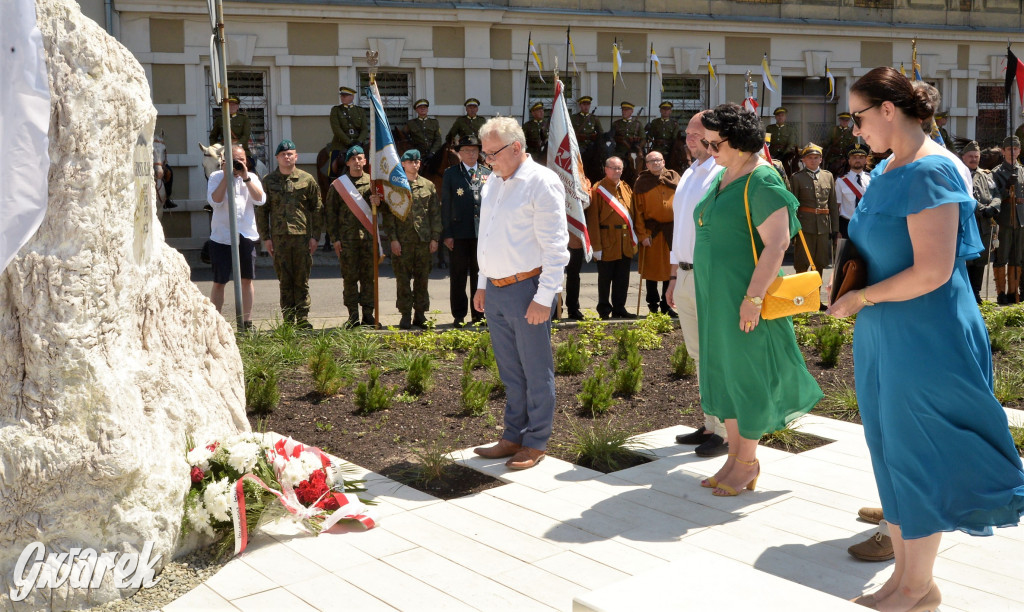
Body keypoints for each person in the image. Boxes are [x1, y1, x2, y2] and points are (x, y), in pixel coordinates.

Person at [829, 66, 1024, 611]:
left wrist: (861, 297)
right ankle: (907, 582)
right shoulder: (889, 167)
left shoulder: (933, 170)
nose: (855, 129)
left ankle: (916, 588)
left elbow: (934, 271)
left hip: (926, 330)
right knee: (888, 447)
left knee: (918, 452)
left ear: (888, 110)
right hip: (885, 327)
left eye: (859, 117)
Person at [692, 103, 822, 498]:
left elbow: (778, 244)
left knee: (746, 376)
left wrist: (752, 298)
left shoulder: (761, 180)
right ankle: (734, 458)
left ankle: (747, 461)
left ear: (738, 140)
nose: (708, 149)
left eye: (715, 143)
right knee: (724, 374)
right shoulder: (725, 175)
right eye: (706, 142)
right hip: (715, 296)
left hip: (744, 296)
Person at [472, 117, 569, 470]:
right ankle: (513, 434)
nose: (487, 161)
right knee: (511, 370)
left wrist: (545, 298)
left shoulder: (541, 183)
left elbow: (556, 246)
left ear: (516, 147)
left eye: (492, 153)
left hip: (529, 288)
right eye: (484, 154)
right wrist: (483, 284)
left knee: (535, 369)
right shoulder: (494, 183)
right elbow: (488, 236)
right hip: (497, 290)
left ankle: (536, 439)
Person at [666, 111, 729, 458]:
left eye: (696, 132)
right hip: (687, 273)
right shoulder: (690, 172)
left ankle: (724, 431)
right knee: (698, 353)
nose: (689, 138)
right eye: (687, 132)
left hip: (710, 274)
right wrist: (674, 276)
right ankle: (710, 422)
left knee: (715, 353)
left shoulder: (722, 172)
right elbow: (680, 231)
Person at [256, 139, 322, 328]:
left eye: (290, 153)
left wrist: (315, 237)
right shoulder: (268, 181)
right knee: (285, 280)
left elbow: (317, 209)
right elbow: (262, 211)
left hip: (302, 237)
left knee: (302, 279)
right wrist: (266, 238)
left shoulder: (307, 180)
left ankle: (302, 319)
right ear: (277, 157)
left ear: (296, 156)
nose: (287, 157)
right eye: (283, 154)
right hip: (279, 238)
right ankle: (288, 320)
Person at [206, 144, 266, 329]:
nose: (238, 163)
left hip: (245, 235)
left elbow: (260, 200)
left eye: (241, 159)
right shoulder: (216, 177)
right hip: (222, 237)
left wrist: (246, 177)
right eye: (234, 160)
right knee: (219, 281)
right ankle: (216, 323)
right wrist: (226, 176)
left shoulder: (252, 177)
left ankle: (246, 322)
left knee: (247, 280)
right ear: (225, 161)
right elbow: (214, 200)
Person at [382, 150, 441, 329]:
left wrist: (435, 238)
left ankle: (420, 314)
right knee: (403, 280)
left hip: (423, 241)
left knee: (422, 279)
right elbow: (389, 216)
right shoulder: (396, 187)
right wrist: (393, 239)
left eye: (417, 161)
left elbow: (435, 214)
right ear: (403, 164)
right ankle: (405, 314)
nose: (414, 164)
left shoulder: (428, 185)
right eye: (410, 161)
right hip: (403, 240)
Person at [441, 135, 491, 327]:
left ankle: (479, 315)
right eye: (467, 151)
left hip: (482, 234)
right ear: (459, 153)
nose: (471, 154)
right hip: (459, 233)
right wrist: (447, 233)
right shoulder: (451, 174)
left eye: (475, 150)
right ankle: (459, 314)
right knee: (459, 275)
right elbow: (446, 205)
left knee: (481, 275)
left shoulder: (488, 173)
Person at [325, 146, 377, 328]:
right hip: (347, 241)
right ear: (347, 162)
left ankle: (368, 315)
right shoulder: (339, 185)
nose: (357, 162)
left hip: (368, 239)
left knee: (368, 278)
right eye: (353, 159)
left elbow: (383, 211)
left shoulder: (373, 183)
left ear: (365, 161)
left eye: (360, 158)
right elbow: (330, 214)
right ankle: (353, 315)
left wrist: (379, 203)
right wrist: (335, 239)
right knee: (350, 278)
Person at [586, 157, 638, 319]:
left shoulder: (626, 187)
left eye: (619, 168)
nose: (617, 171)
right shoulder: (598, 190)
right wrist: (596, 247)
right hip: (607, 241)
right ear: (606, 169)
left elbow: (633, 214)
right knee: (605, 278)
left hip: (624, 241)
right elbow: (593, 220)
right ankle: (603, 309)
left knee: (622, 278)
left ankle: (619, 308)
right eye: (613, 168)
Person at [633, 150, 680, 316]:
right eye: (651, 161)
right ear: (646, 164)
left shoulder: (674, 177)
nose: (655, 163)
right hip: (651, 231)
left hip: (672, 230)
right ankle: (652, 306)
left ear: (664, 161)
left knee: (671, 269)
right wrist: (642, 235)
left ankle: (667, 306)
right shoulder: (642, 182)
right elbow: (637, 212)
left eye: (658, 160)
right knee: (651, 271)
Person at [790, 143, 838, 278]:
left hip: (823, 227)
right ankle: (801, 297)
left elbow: (832, 204)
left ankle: (816, 297)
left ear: (821, 160)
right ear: (803, 160)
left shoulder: (828, 176)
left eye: (816, 157)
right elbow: (793, 206)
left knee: (820, 263)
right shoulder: (797, 178)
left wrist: (835, 229)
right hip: (804, 227)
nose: (813, 160)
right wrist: (793, 230)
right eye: (809, 157)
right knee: (802, 263)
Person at [962, 140, 1000, 304]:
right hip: (966, 223)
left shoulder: (986, 175)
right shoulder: (959, 174)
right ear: (963, 157)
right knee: (967, 260)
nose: (974, 159)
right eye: (970, 156)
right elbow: (964, 196)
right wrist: (981, 208)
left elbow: (997, 194)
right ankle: (966, 294)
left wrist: (993, 207)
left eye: (976, 156)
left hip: (983, 225)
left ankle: (976, 293)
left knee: (981, 259)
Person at [992, 136, 1024, 305]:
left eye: (1016, 149)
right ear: (1003, 151)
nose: (1013, 152)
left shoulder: (1023, 170)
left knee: (1017, 257)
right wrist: (1006, 188)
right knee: (1001, 256)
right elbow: (993, 195)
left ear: (1019, 151)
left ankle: (1013, 292)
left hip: (1020, 219)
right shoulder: (997, 172)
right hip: (1005, 219)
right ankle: (1001, 293)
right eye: (1009, 149)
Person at [836, 143, 871, 239]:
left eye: (860, 157)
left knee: (865, 254)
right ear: (849, 161)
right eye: (854, 157)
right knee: (847, 254)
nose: (857, 160)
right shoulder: (840, 181)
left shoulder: (872, 180)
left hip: (867, 224)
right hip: (846, 225)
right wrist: (836, 230)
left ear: (865, 161)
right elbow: (836, 207)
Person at [330, 86, 369, 157]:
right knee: (334, 164)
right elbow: (336, 129)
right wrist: (349, 142)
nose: (343, 97)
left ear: (352, 97)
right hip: (340, 145)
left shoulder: (360, 111)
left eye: (345, 95)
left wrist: (359, 142)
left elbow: (364, 129)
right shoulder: (336, 110)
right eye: (342, 95)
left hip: (358, 144)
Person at [405, 99, 443, 168]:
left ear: (427, 109)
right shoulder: (411, 123)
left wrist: (433, 152)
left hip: (433, 155)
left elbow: (438, 139)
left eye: (425, 107)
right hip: (418, 155)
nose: (423, 109)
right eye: (420, 107)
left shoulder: (434, 122)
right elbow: (403, 138)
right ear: (416, 110)